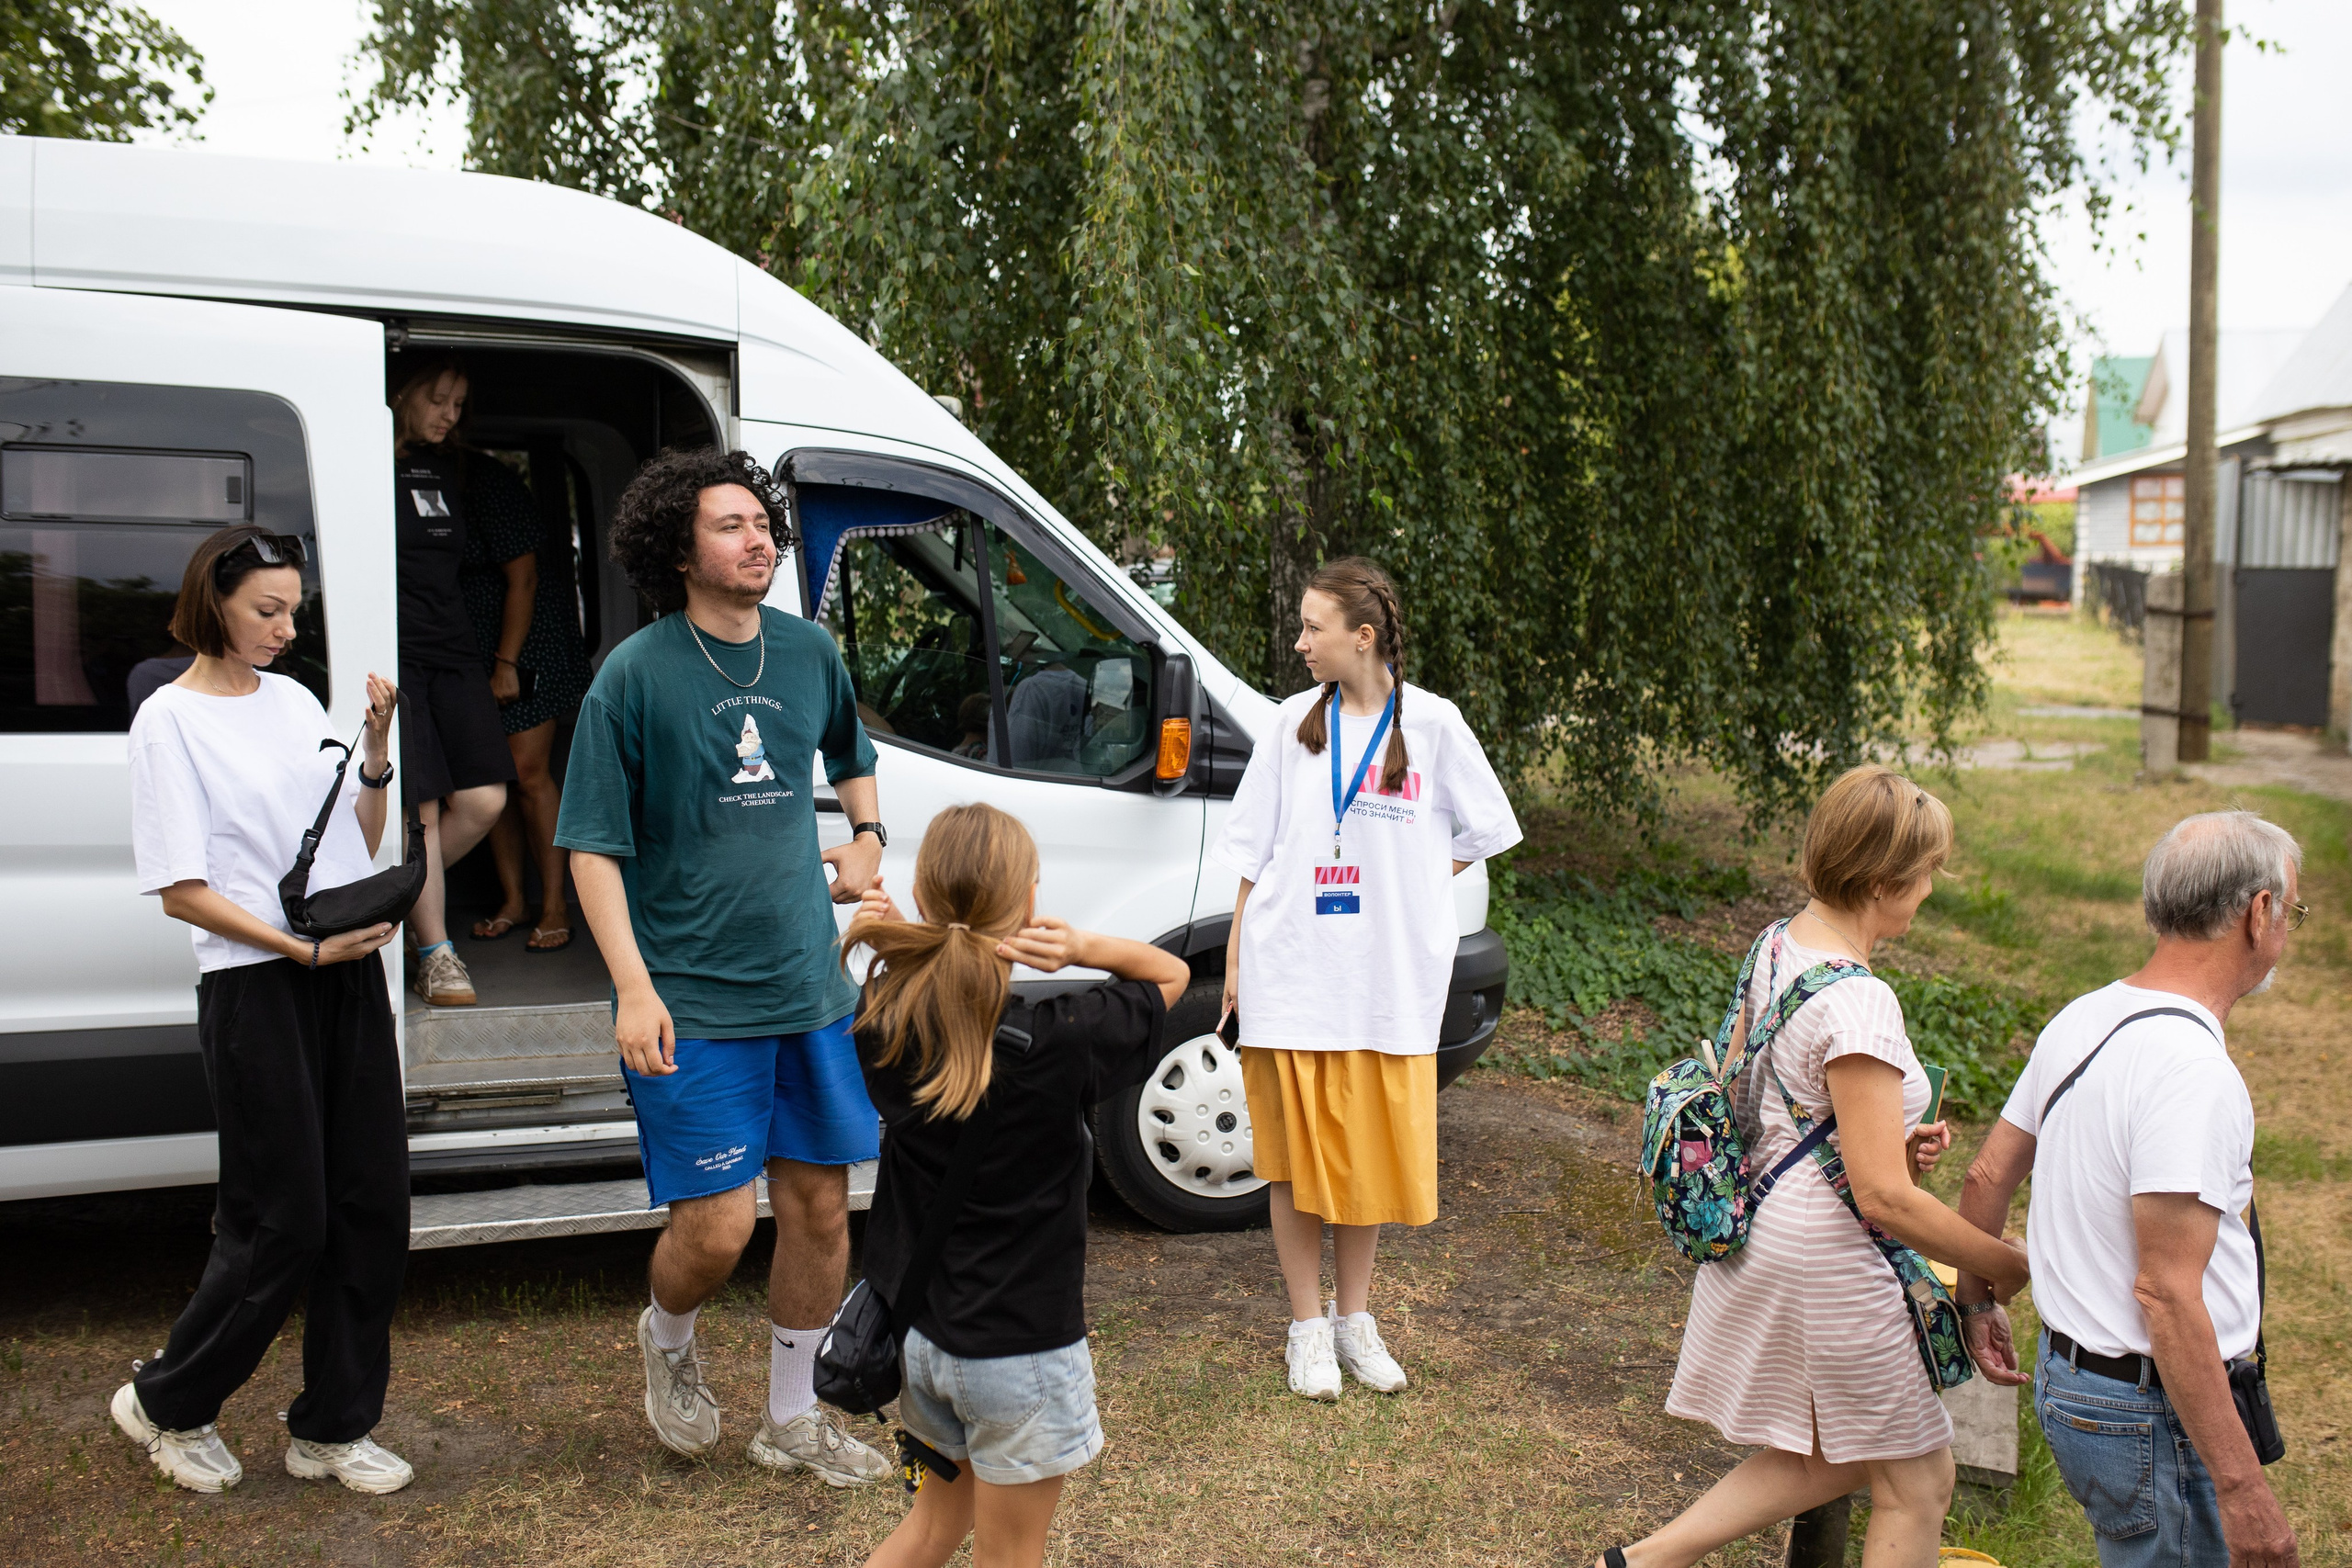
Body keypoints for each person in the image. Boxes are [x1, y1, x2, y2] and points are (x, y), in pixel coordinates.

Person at [554, 446, 894, 1483]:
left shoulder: (808, 653)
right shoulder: (633, 675)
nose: (759, 541)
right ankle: (666, 1338)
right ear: (679, 549)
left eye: (763, 523)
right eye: (730, 526)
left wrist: (868, 835)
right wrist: (634, 988)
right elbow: (591, 848)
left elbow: (853, 755)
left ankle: (792, 1416)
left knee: (821, 1208)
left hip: (808, 986)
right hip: (691, 1000)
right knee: (714, 1230)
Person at [1598, 764, 2031, 1568]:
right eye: (1925, 873)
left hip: (1773, 1229)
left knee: (1835, 1454)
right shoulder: (1861, 1001)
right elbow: (1885, 1199)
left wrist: (1886, 1143)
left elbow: (1757, 1103)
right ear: (1881, 881)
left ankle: (1638, 1564)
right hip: (1829, 1264)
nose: (1928, 890)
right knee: (1919, 1482)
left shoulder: (1778, 943)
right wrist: (2006, 1266)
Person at [112, 524, 413, 1495]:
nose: (286, 629)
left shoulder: (291, 701)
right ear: (214, 603)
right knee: (283, 1218)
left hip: (343, 969)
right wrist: (297, 949)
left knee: (371, 1206)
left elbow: (352, 842)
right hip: (255, 982)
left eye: (293, 610)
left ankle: (333, 1428)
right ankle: (167, 1403)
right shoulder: (168, 719)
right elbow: (181, 889)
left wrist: (376, 752)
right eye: (266, 611)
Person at [1211, 557, 1521, 1401]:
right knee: (1292, 1163)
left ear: (1364, 636)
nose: (1300, 642)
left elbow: (1487, 827)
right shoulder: (1290, 724)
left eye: (1313, 627)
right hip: (1293, 970)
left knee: (1366, 1159)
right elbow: (1250, 850)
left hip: (1384, 985)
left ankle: (1354, 1319)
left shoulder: (1434, 724)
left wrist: (1414, 881)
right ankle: (1306, 1328)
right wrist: (1235, 956)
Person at [847, 803, 1189, 1568]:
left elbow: (919, 989)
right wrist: (1081, 946)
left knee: (929, 1533)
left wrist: (903, 938)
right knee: (1009, 1555)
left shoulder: (883, 1019)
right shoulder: (1066, 1035)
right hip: (1021, 1356)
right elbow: (1171, 974)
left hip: (924, 1345)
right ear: (1031, 902)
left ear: (923, 898)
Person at [1958, 811, 2301, 1568]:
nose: (2288, 926)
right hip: (2150, 1410)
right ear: (2258, 912)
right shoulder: (2193, 1071)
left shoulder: (2084, 1016)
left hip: (2072, 1382)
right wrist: (2243, 1488)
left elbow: (1987, 1174)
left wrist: (1976, 1302)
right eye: (2292, 910)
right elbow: (2167, 1293)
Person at [389, 355, 514, 1005]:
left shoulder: (446, 469)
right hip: (398, 653)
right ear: (404, 394)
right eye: (438, 399)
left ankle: (399, 899)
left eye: (458, 404)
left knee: (485, 799)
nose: (449, 415)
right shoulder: (368, 461)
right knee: (424, 810)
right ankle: (436, 953)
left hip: (455, 649)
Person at [456, 446, 594, 953]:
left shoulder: (486, 480)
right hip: (472, 647)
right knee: (491, 774)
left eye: (455, 408)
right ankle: (514, 900)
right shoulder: (422, 478)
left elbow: (525, 577)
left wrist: (507, 664)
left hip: (523, 644)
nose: (447, 416)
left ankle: (555, 904)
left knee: (529, 774)